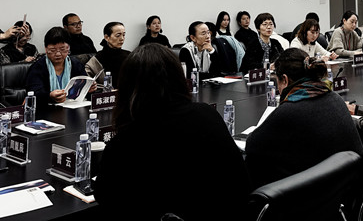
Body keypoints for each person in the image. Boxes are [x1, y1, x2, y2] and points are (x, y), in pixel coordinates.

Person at [94, 44, 249, 220]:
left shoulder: (127, 140)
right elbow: (239, 180)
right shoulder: (206, 114)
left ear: (128, 88)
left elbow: (106, 197)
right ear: (178, 78)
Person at [245, 48, 363, 187]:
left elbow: (252, 145)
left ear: (285, 79)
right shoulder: (335, 98)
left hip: (316, 192)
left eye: (278, 82)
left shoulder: (290, 109)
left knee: (254, 163)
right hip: (347, 186)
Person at [26, 27, 89, 106]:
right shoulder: (38, 67)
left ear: (68, 48)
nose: (58, 54)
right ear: (46, 49)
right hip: (47, 109)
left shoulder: (75, 64)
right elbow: (34, 93)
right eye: (53, 50)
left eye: (62, 49)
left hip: (73, 106)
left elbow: (82, 87)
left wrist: (89, 89)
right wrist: (50, 96)